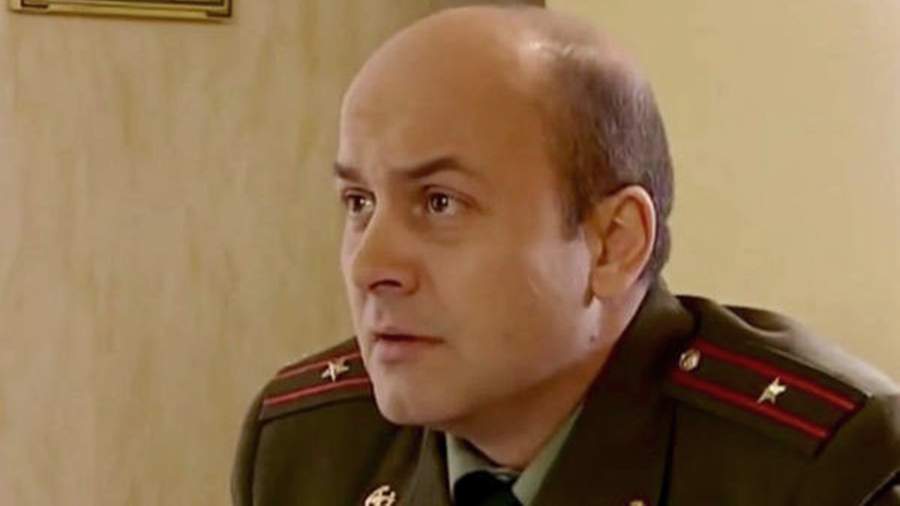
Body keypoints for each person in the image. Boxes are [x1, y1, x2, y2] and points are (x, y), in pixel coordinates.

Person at [231, 5, 900, 505]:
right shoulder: (305, 449)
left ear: (614, 243)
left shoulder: (823, 472)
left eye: (440, 203)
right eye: (358, 202)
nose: (369, 267)